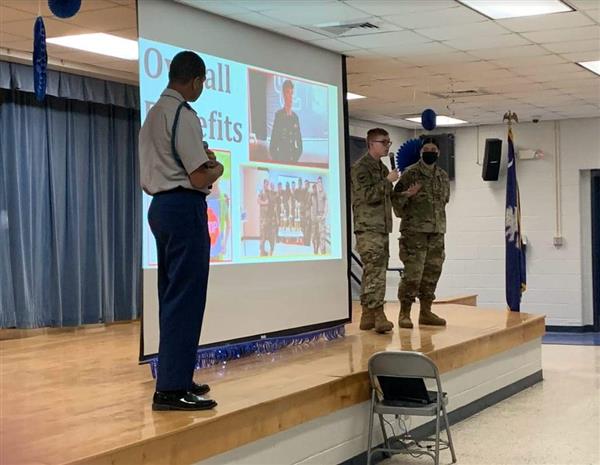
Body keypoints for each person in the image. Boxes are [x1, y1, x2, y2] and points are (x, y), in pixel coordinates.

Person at [139, 51, 223, 410]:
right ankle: (172, 389)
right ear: (196, 81)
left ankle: (176, 376)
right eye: (203, 83)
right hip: (183, 206)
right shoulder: (183, 115)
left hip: (160, 208)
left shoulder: (154, 113)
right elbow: (198, 175)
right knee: (186, 299)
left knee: (173, 296)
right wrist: (216, 167)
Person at [392, 138, 450, 329]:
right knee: (412, 275)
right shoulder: (411, 173)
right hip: (414, 233)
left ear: (439, 153)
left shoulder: (442, 176)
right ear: (420, 152)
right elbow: (396, 204)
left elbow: (444, 202)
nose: (430, 152)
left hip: (436, 232)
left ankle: (426, 312)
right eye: (426, 149)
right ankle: (404, 314)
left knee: (432, 273)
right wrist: (408, 195)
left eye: (434, 149)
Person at [350, 128, 397, 334]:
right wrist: (387, 181)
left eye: (389, 142)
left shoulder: (382, 168)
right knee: (376, 271)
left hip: (381, 227)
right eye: (384, 142)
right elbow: (368, 195)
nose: (387, 146)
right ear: (371, 144)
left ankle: (367, 315)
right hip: (368, 228)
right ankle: (378, 313)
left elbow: (388, 197)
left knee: (374, 270)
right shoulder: (361, 168)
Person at [269, 79, 303, 163]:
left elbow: (299, 142)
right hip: (281, 159)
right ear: (284, 94)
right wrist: (277, 159)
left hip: (293, 159)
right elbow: (273, 143)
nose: (290, 96)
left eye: (292, 93)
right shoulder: (279, 115)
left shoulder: (295, 117)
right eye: (288, 93)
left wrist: (295, 158)